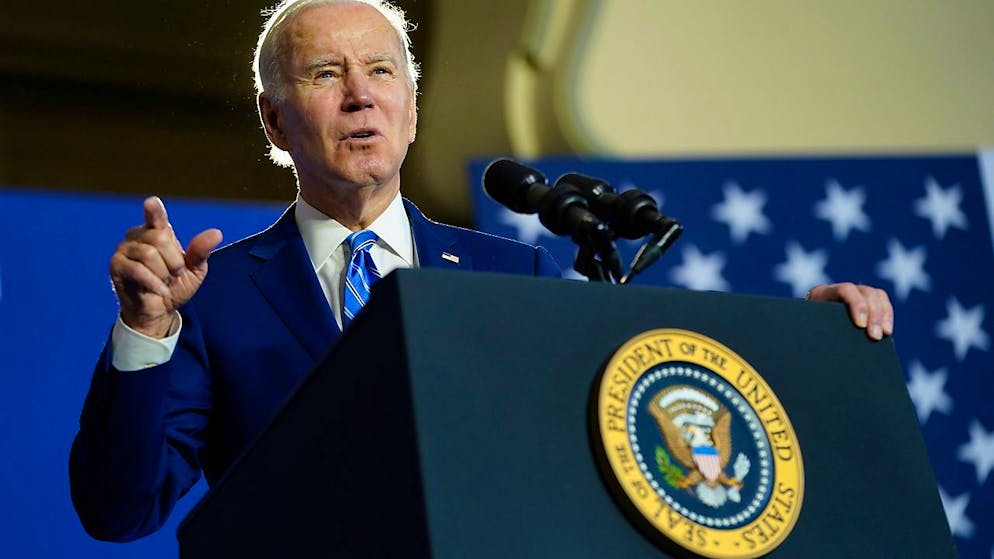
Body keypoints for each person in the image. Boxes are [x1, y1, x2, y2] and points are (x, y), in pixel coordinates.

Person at [69, 0, 893, 543]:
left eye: (382, 71)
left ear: (412, 106)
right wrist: (146, 333)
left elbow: (632, 428)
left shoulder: (513, 274)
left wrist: (807, 344)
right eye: (327, 74)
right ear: (274, 118)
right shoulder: (215, 301)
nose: (361, 96)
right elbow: (120, 508)